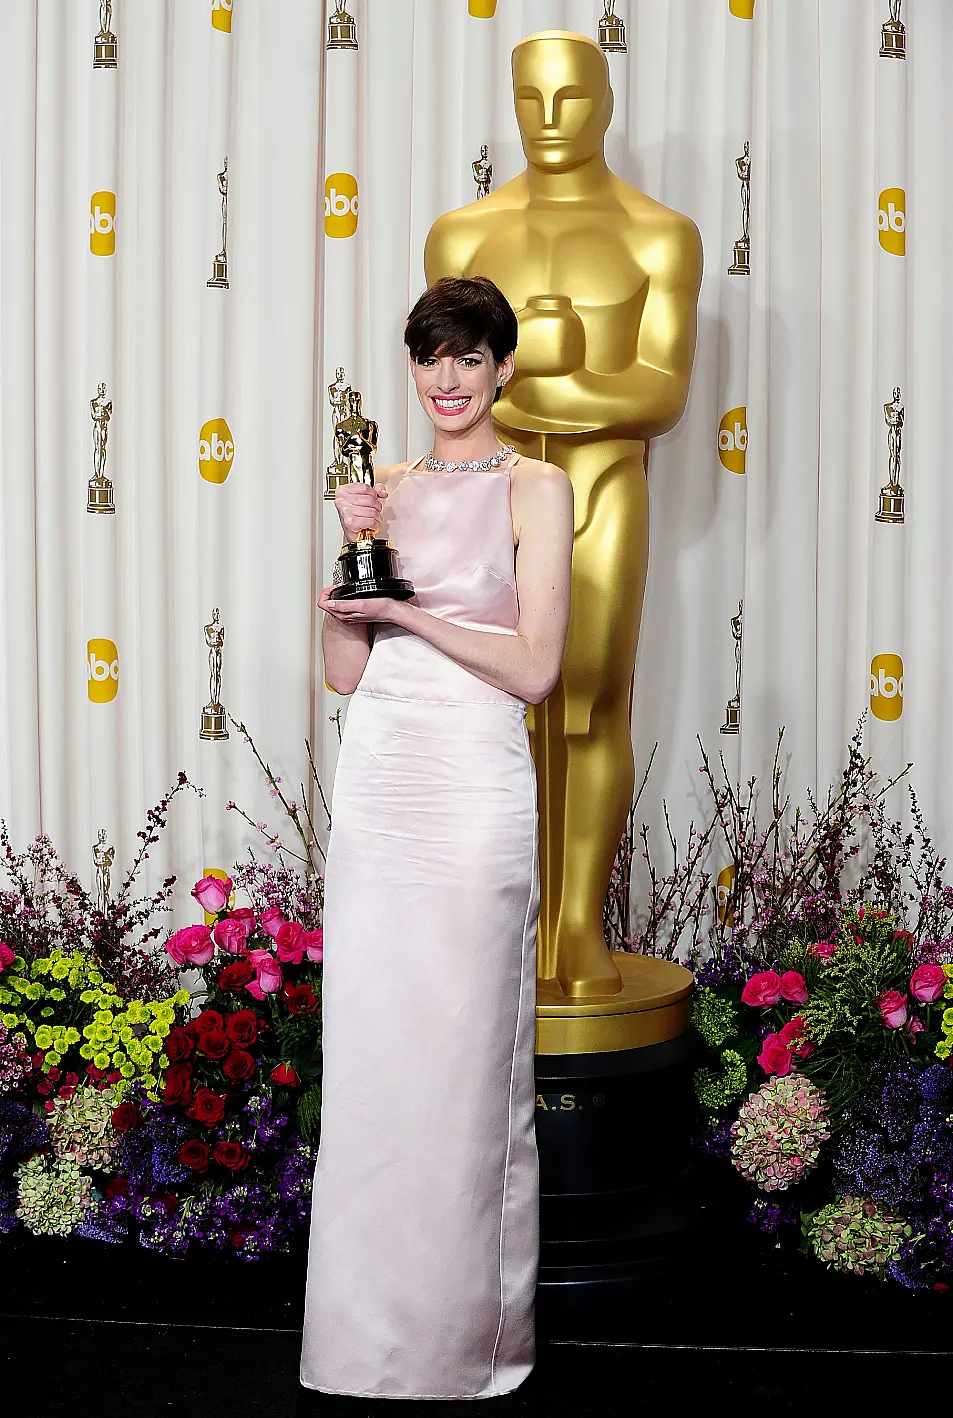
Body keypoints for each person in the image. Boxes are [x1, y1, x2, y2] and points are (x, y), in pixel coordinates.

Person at [300, 275, 573, 1400]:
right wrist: (341, 577)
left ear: (504, 367)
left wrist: (406, 606)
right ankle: (363, 1345)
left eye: (467, 357)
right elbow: (344, 674)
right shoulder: (382, 483)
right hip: (382, 778)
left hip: (470, 783)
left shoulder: (538, 484)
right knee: (371, 1057)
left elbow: (536, 667)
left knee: (465, 1057)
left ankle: (468, 1345)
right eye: (429, 357)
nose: (446, 379)